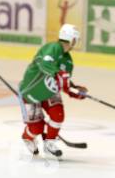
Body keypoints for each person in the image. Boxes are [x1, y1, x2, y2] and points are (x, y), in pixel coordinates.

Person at [19, 24, 88, 158]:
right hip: (31, 92)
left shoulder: (68, 60)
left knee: (58, 114)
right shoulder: (53, 48)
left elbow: (64, 82)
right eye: (75, 39)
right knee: (36, 128)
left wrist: (75, 91)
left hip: (49, 91)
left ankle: (50, 142)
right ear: (71, 39)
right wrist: (58, 73)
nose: (76, 42)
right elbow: (44, 64)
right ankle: (27, 137)